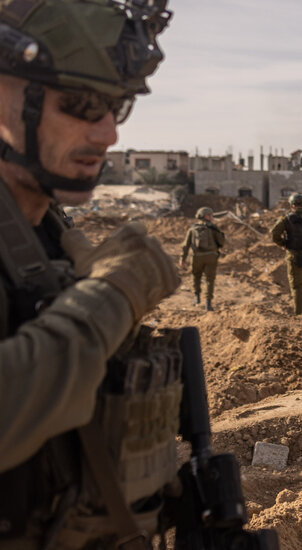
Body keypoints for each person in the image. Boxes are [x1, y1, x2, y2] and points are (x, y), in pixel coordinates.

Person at [0, 0, 180, 547]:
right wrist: (111, 295)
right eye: (80, 105)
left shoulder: (45, 232)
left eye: (115, 109)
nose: (107, 135)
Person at [180, 206, 225, 311]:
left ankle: (197, 297)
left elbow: (186, 245)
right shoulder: (213, 228)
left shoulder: (192, 228)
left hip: (196, 257)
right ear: (206, 216)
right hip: (211, 257)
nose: (212, 217)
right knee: (209, 280)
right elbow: (221, 242)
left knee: (196, 276)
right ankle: (208, 304)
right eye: (211, 215)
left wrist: (182, 259)